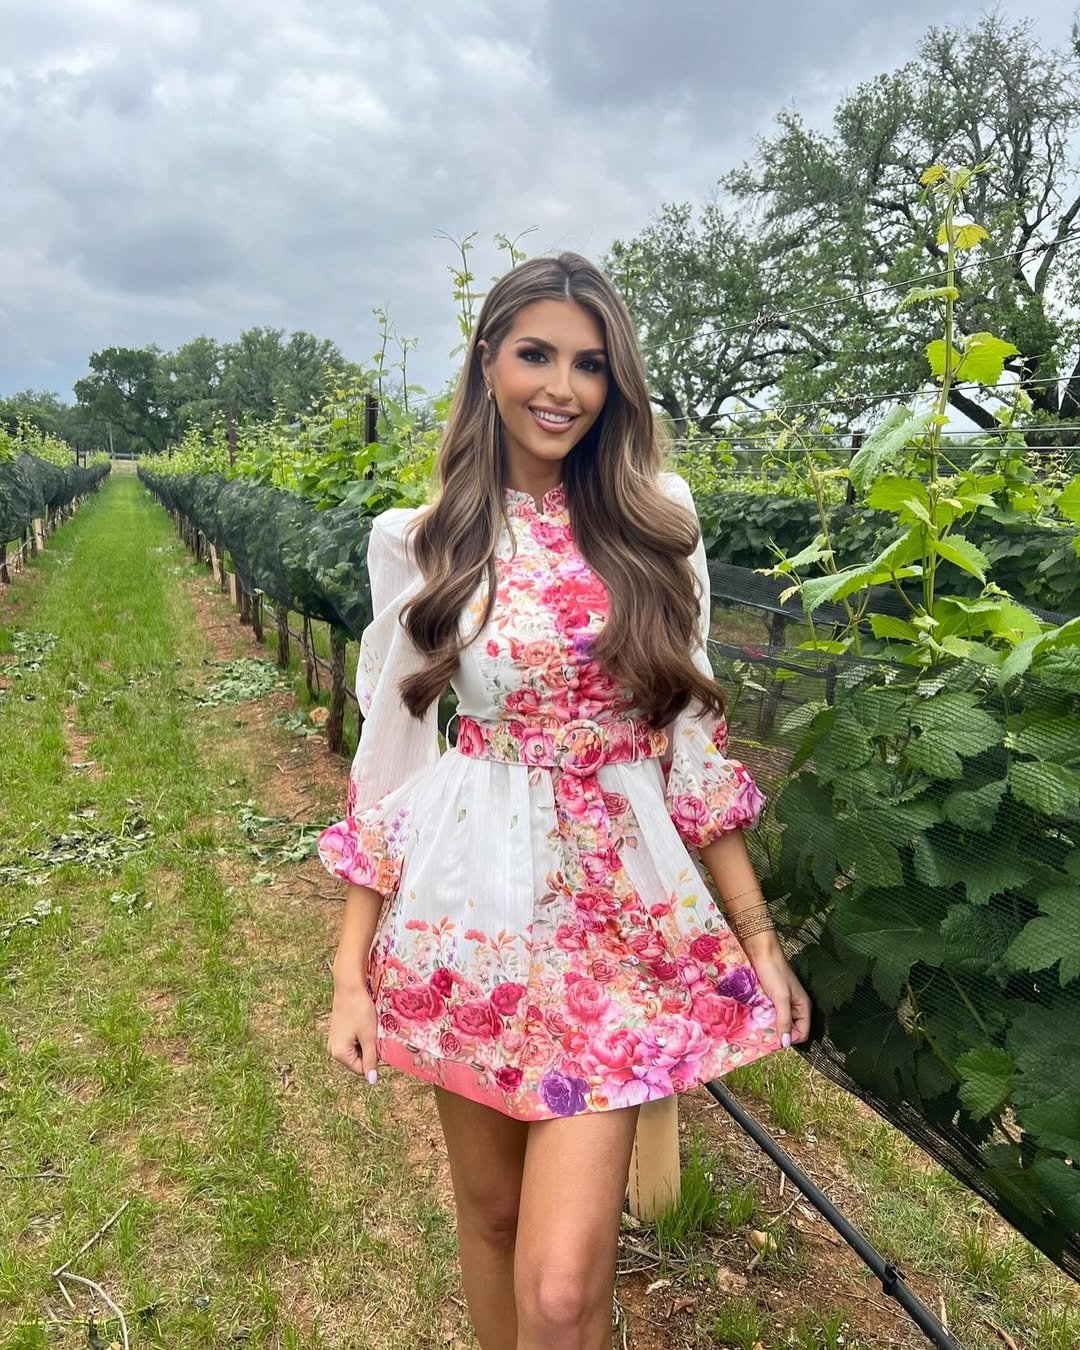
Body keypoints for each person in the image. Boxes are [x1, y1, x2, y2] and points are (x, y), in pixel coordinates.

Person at [318, 251, 812, 1350]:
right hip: (467, 917)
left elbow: (689, 742)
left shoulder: (654, 518)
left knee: (560, 1286)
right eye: (536, 352)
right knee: (489, 1219)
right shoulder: (420, 538)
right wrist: (349, 972)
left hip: (616, 932)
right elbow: (392, 761)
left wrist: (758, 937)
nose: (563, 386)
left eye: (591, 365)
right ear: (487, 359)